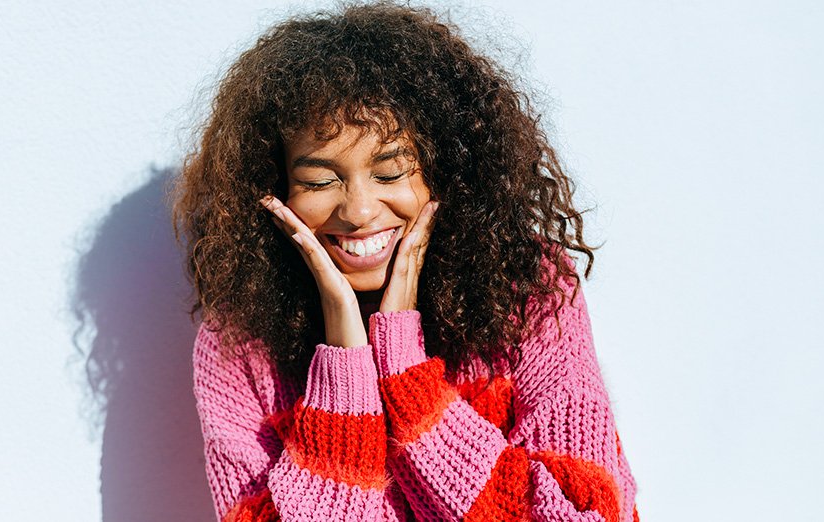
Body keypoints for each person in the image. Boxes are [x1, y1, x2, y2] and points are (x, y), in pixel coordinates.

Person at [170, 2, 639, 520]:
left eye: (390, 173)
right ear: (275, 189)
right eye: (320, 182)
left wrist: (408, 376)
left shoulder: (528, 289)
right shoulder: (239, 343)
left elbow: (586, 511)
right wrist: (343, 370)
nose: (359, 211)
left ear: (446, 168)